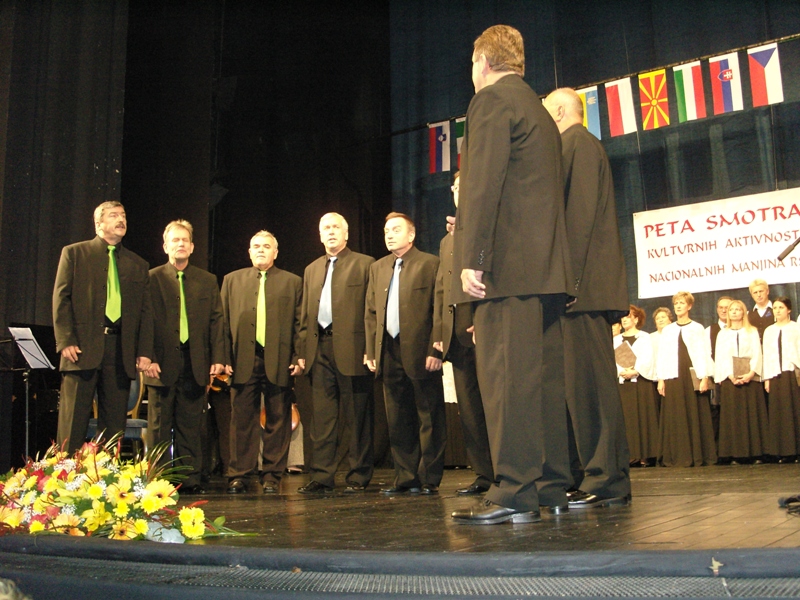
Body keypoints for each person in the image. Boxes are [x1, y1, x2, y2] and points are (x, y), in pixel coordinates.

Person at [451, 25, 571, 524]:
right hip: (545, 273)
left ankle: (514, 492)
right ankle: (550, 486)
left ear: (483, 61)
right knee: (542, 383)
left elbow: (482, 185)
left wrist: (472, 256)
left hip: (507, 271)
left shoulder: (490, 102)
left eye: (472, 64)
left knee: (506, 381)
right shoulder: (540, 111)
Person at [541, 87, 631, 509]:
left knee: (592, 389)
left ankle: (606, 480)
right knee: (578, 390)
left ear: (560, 111)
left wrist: (567, 283)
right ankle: (592, 474)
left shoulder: (576, 143)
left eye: (546, 112)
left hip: (583, 291)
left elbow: (576, 221)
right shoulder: (578, 145)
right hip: (580, 289)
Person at [53, 201, 152, 453]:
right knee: (73, 420)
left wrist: (143, 351)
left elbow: (145, 312)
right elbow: (61, 298)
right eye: (113, 215)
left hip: (120, 351)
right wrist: (65, 339)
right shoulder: (75, 253)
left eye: (123, 215)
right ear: (98, 224)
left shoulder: (137, 264)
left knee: (114, 424)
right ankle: (66, 472)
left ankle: (107, 472)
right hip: (81, 347)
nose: (121, 220)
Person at [142, 220, 226, 494]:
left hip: (195, 362)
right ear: (165, 246)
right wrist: (148, 357)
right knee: (159, 428)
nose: (180, 244)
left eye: (185, 240)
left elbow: (216, 321)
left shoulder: (207, 280)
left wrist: (217, 358)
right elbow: (145, 321)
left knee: (190, 426)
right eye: (175, 240)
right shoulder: (151, 278)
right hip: (160, 364)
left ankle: (189, 480)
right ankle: (159, 481)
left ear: (192, 247)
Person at [365, 212, 445, 495]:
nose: (389, 235)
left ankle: (429, 477)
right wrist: (370, 350)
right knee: (398, 418)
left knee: (429, 415)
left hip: (422, 351)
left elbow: (438, 308)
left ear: (411, 235)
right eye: (386, 230)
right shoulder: (378, 267)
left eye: (396, 230)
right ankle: (405, 477)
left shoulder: (430, 263)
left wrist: (436, 347)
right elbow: (371, 312)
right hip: (388, 349)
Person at [297, 213, 375, 494]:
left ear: (346, 233)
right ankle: (322, 475)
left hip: (353, 350)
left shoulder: (365, 264)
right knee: (322, 418)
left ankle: (358, 475)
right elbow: (305, 314)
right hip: (319, 349)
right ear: (320, 235)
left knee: (357, 417)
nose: (330, 232)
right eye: (325, 228)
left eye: (335, 227)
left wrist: (370, 348)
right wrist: (302, 350)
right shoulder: (311, 269)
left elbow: (371, 310)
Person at [221, 230, 303, 494]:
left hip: (279, 359)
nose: (260, 250)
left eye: (266, 246)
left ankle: (272, 476)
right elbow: (223, 324)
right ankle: (240, 474)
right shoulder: (232, 280)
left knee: (278, 418)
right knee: (241, 420)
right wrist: (223, 358)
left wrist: (297, 356)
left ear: (275, 253)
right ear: (249, 252)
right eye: (256, 246)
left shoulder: (293, 282)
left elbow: (299, 324)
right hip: (242, 360)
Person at [434, 172, 494, 496]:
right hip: (456, 336)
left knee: (494, 405)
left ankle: (507, 472)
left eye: (465, 185)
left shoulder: (486, 227)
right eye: (456, 187)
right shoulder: (447, 240)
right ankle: (484, 473)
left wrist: (486, 318)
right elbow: (442, 289)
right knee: (469, 411)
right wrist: (439, 332)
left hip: (483, 330)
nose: (460, 191)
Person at [656, 291, 717, 467]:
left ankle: (698, 454)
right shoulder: (668, 330)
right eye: (676, 303)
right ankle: (677, 455)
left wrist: (704, 377)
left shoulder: (697, 328)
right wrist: (661, 379)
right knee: (676, 414)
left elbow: (704, 353)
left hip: (692, 375)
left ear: (689, 306)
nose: (678, 306)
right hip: (673, 376)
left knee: (694, 412)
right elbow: (662, 355)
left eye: (682, 303)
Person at [714, 299, 768, 464]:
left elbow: (757, 353)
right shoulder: (723, 334)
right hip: (730, 380)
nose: (734, 312)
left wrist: (751, 373)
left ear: (743, 312)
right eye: (732, 310)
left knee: (752, 415)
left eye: (738, 309)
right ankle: (736, 454)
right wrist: (730, 375)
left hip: (750, 379)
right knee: (734, 417)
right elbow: (721, 357)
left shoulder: (751, 331)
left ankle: (756, 453)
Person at [615, 305, 659, 468]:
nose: (624, 320)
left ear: (636, 319)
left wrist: (635, 371)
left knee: (643, 418)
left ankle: (645, 454)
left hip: (641, 382)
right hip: (623, 384)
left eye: (628, 317)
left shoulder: (645, 337)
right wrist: (622, 371)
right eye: (623, 317)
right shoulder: (616, 339)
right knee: (628, 420)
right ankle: (630, 455)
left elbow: (648, 358)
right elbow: (611, 359)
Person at [762, 297, 800, 463]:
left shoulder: (796, 328)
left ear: (789, 310)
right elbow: (767, 355)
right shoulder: (769, 330)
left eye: (781, 307)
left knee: (794, 410)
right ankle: (783, 451)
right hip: (775, 375)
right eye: (775, 308)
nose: (777, 311)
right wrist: (767, 379)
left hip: (792, 373)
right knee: (779, 413)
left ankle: (797, 450)